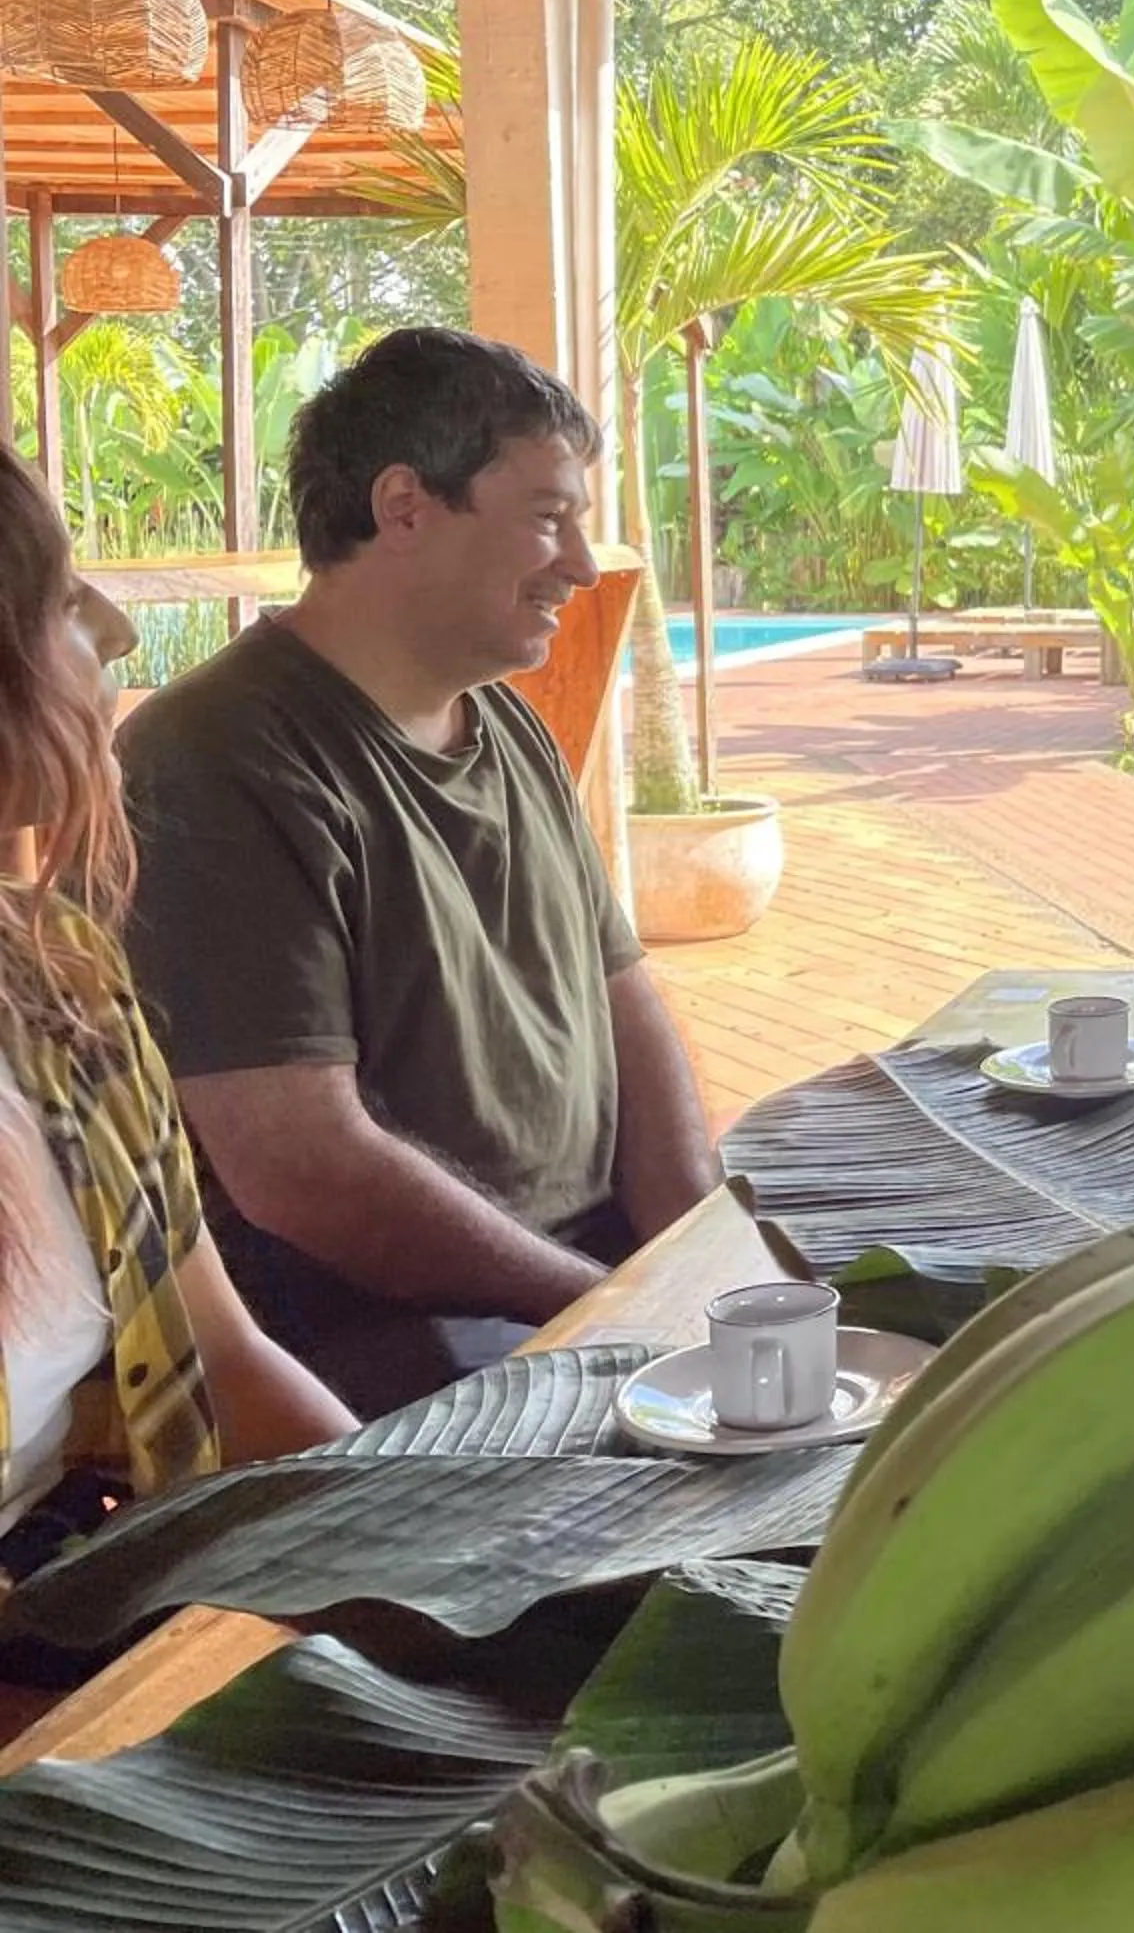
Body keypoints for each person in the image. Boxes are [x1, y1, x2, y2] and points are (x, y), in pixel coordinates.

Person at [117, 329, 719, 1419]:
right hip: (382, 1331)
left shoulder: (507, 725)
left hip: (577, 1279)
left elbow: (628, 1009)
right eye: (548, 516)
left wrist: (698, 1265)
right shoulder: (214, 756)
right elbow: (304, 1167)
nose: (581, 566)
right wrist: (604, 1309)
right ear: (404, 507)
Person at [0, 441, 355, 1625]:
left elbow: (226, 1364)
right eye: (55, 596)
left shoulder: (62, 991)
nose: (114, 627)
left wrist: (447, 1561)